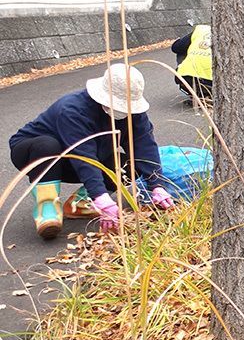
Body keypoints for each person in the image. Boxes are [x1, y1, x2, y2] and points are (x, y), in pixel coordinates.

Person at [9, 64, 177, 239]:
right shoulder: (74, 109)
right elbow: (84, 156)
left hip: (84, 155)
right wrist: (100, 196)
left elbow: (144, 146)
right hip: (35, 154)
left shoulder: (135, 114)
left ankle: (80, 204)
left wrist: (157, 185)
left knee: (127, 165)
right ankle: (47, 207)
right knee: (47, 145)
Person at [172, 23, 213, 103]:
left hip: (187, 78)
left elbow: (176, 47)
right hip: (217, 81)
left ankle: (197, 94)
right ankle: (210, 94)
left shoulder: (201, 30)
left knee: (181, 52)